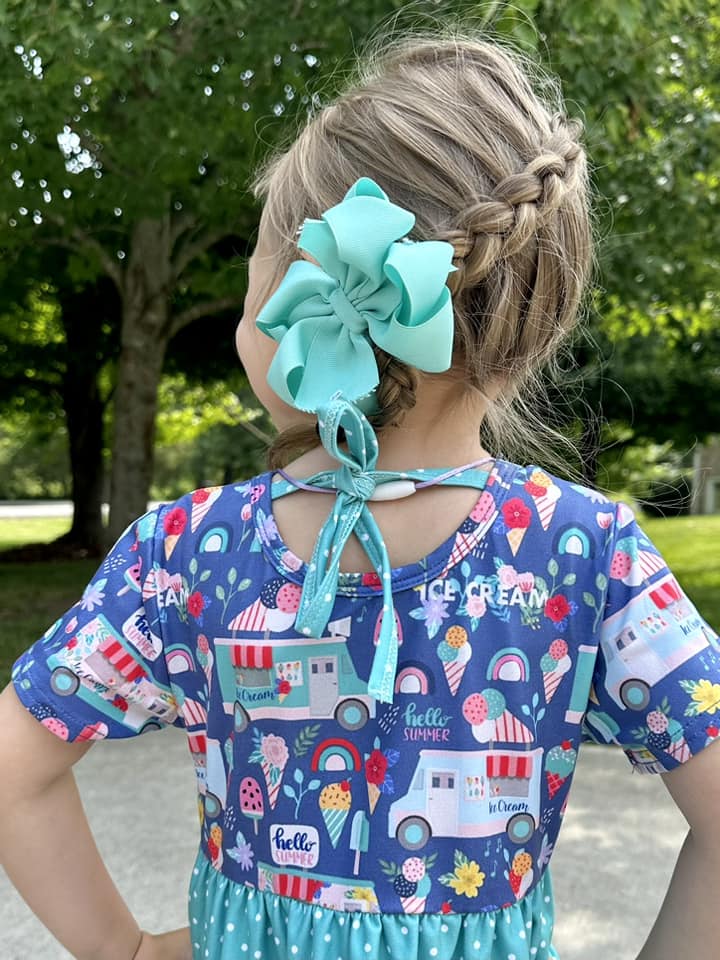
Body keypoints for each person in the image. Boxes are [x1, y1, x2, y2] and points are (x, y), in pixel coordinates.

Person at [1, 26, 719, 960]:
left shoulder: (185, 550)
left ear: (299, 303)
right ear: (523, 336)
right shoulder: (584, 551)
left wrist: (122, 949)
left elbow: (15, 768)